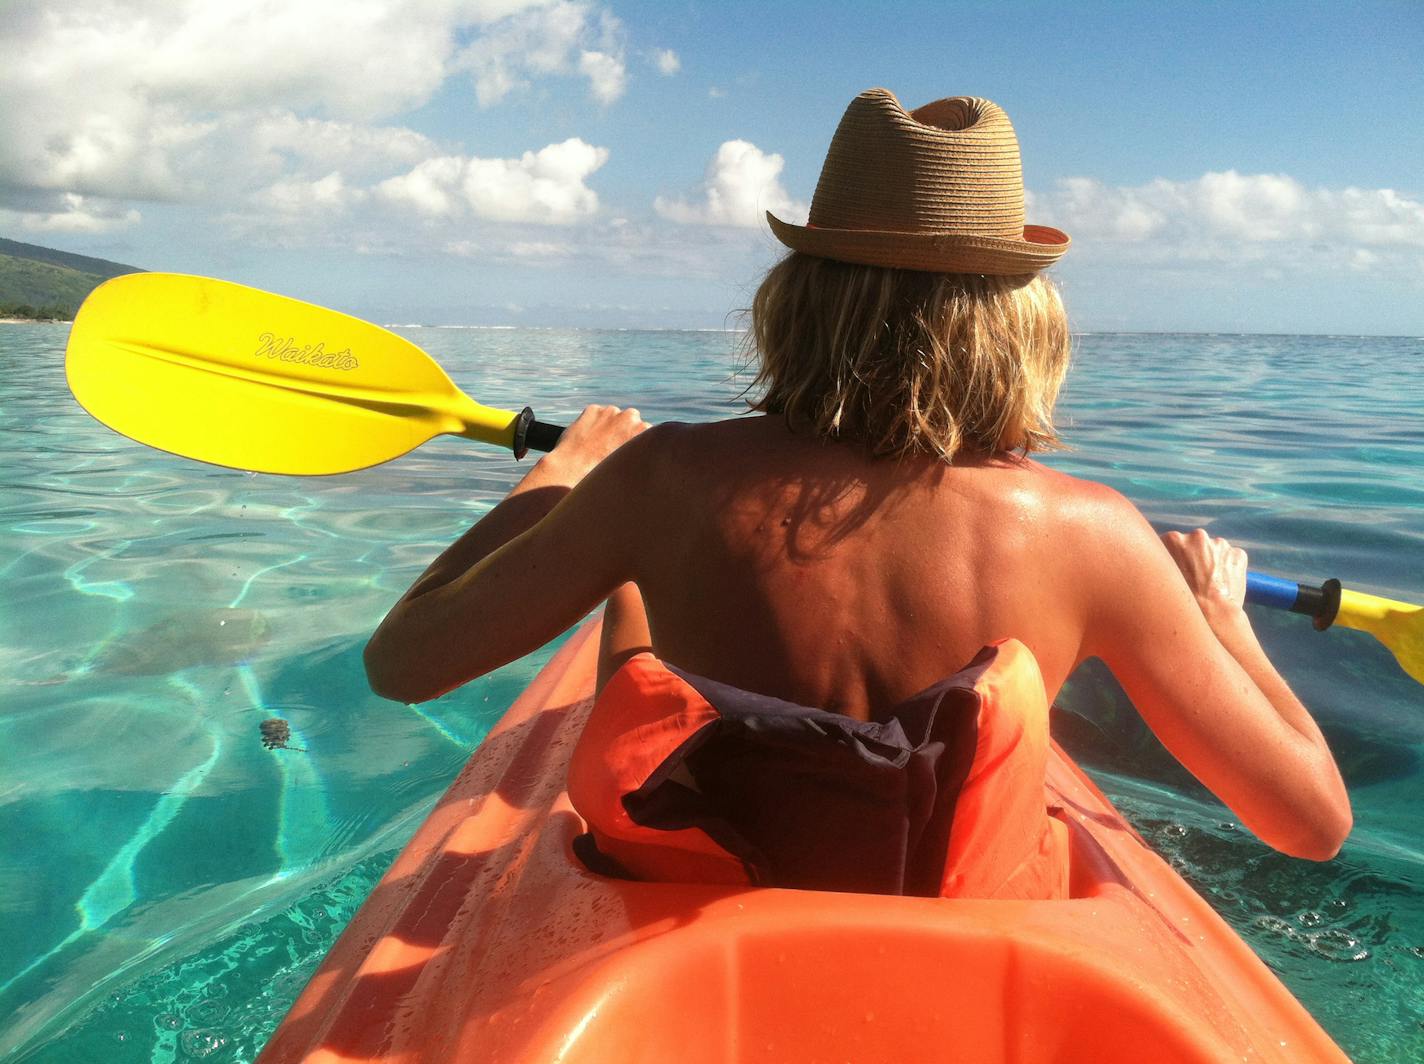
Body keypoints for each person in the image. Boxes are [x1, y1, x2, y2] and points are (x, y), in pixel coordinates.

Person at [364, 89, 1350, 890]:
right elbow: (1309, 821)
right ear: (1019, 324)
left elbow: (402, 662)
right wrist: (1222, 619)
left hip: (719, 920)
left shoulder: (660, 476)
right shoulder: (1092, 536)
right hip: (969, 937)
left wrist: (559, 479)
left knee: (633, 597)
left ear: (793, 301)